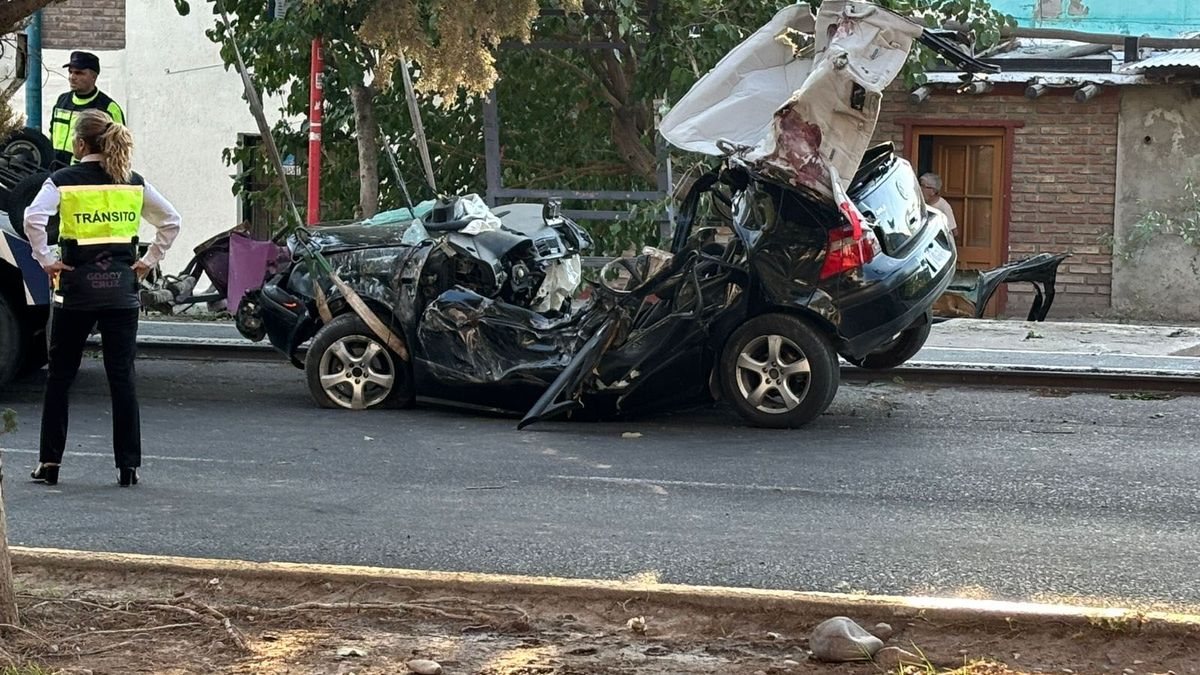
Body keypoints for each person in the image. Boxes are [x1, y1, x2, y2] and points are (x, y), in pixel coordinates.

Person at [24, 109, 181, 488]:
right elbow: (171, 221)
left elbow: (32, 218)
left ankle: (50, 464)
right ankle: (128, 467)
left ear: (79, 144)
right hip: (121, 293)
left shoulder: (62, 180)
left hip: (76, 291)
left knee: (60, 378)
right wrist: (146, 262)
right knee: (122, 378)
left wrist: (47, 260)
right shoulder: (132, 182)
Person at [49, 51, 126, 167]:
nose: (72, 77)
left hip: (87, 175)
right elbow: (52, 136)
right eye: (70, 72)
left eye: (79, 73)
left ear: (94, 77)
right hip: (56, 170)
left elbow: (119, 147)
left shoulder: (109, 108)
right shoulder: (61, 101)